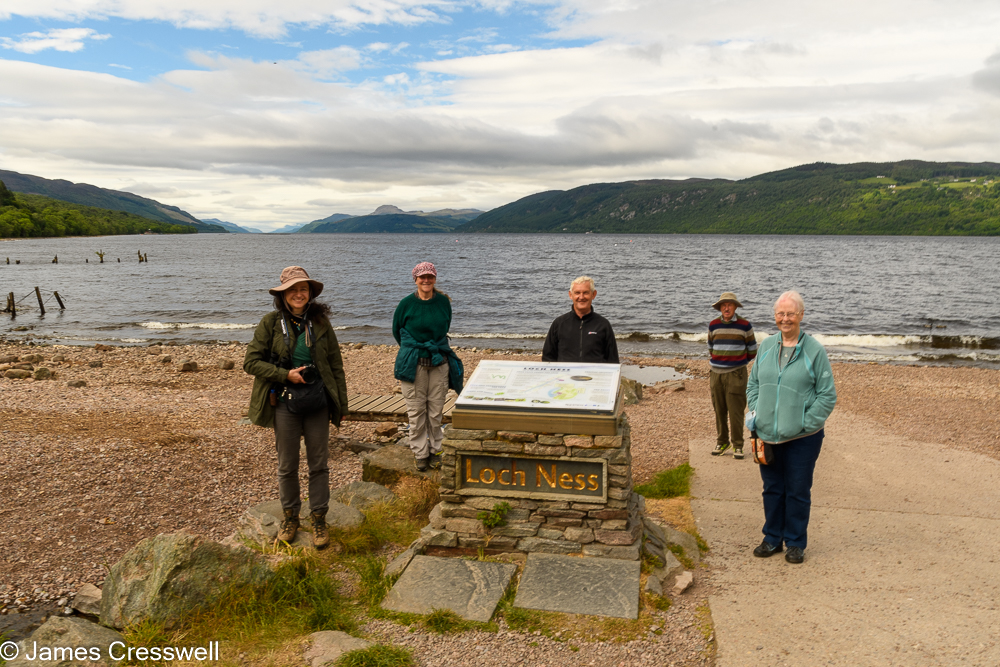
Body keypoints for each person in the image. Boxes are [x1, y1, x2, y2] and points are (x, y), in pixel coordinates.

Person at [244, 266, 349, 550]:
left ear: (310, 293)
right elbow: (250, 362)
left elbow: (336, 365)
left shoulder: (321, 323)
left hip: (318, 401)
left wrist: (341, 404)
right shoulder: (270, 323)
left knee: (319, 465)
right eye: (292, 290)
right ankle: (291, 517)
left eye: (303, 289)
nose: (298, 294)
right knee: (287, 466)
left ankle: (318, 518)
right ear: (283, 295)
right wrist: (284, 375)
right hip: (284, 401)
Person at [746, 290, 836, 564]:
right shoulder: (766, 347)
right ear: (775, 317)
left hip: (803, 438)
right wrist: (756, 413)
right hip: (767, 435)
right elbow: (754, 385)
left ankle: (795, 542)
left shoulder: (814, 350)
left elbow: (827, 395)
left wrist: (802, 423)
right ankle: (772, 538)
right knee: (772, 489)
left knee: (797, 490)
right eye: (781, 314)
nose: (785, 319)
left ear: (801, 316)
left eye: (791, 314)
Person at [393, 262, 464, 472]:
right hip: (413, 362)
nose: (426, 280)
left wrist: (431, 348)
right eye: (422, 277)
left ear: (435, 279)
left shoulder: (443, 302)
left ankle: (436, 449)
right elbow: (397, 331)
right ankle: (420, 452)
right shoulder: (406, 304)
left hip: (439, 361)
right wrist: (417, 350)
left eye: (430, 277)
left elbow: (445, 326)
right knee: (416, 411)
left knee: (435, 411)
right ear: (415, 279)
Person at [708, 292, 757, 459]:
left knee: (736, 412)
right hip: (715, 375)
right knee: (719, 410)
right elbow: (710, 348)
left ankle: (738, 445)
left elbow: (752, 351)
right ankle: (722, 442)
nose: (726, 308)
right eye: (723, 305)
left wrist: (737, 362)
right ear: (720, 308)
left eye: (729, 304)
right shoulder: (713, 325)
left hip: (736, 374)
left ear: (735, 307)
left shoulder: (745, 325)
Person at [542, 276, 619, 363]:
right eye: (577, 293)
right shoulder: (559, 324)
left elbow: (613, 360)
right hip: (566, 376)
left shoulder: (603, 324)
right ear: (571, 295)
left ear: (593, 294)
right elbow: (548, 358)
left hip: (594, 376)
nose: (581, 297)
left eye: (586, 293)